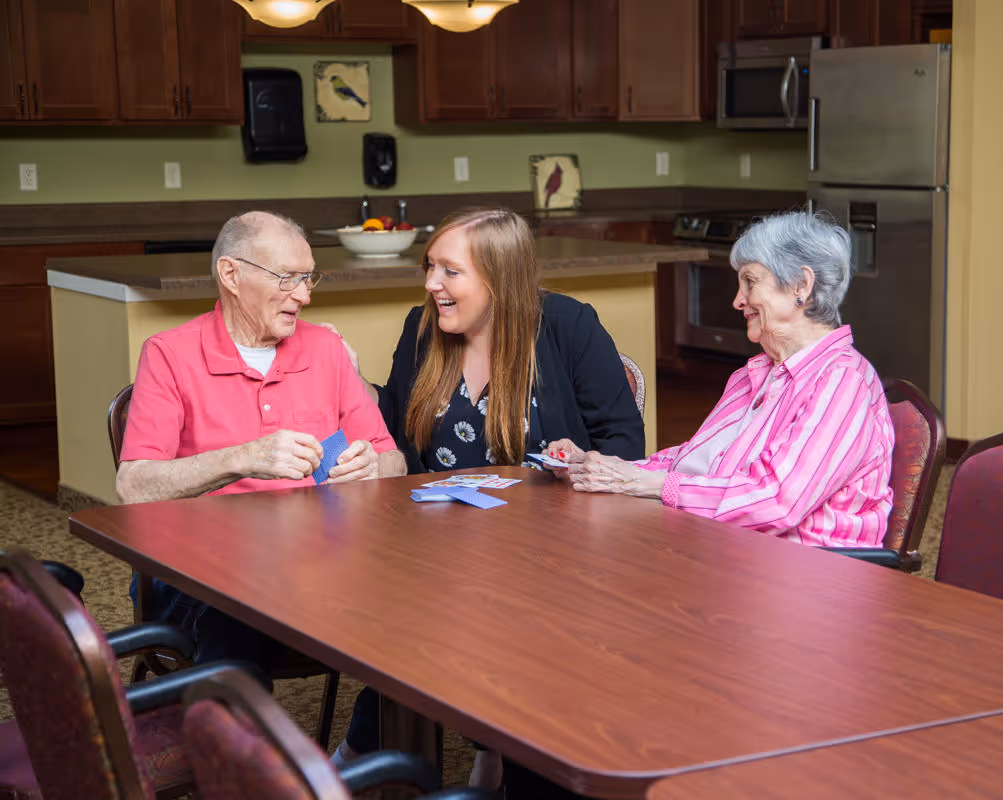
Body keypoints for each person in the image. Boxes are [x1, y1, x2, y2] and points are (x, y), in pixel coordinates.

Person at [325, 206, 644, 784]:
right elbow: (395, 436)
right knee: (412, 605)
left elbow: (626, 443)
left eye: (449, 271)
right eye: (429, 268)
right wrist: (348, 381)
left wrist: (583, 459)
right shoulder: (422, 331)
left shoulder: (570, 327)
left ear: (497, 277)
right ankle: (451, 750)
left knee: (460, 613)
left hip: (551, 555)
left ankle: (372, 760)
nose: (431, 285)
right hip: (434, 550)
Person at [117, 210, 406, 666]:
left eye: (309, 278)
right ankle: (240, 739)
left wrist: (373, 466)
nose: (305, 296)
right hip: (203, 578)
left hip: (319, 566)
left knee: (414, 604)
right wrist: (241, 458)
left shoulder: (326, 350)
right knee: (240, 611)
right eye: (287, 278)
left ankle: (368, 740)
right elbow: (133, 485)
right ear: (230, 274)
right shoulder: (169, 354)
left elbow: (395, 463)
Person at [549, 210, 895, 549]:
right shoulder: (755, 374)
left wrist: (643, 483)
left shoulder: (841, 381)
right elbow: (692, 461)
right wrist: (599, 469)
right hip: (728, 552)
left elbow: (776, 501)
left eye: (751, 282)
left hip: (809, 575)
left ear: (801, 286)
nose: (737, 300)